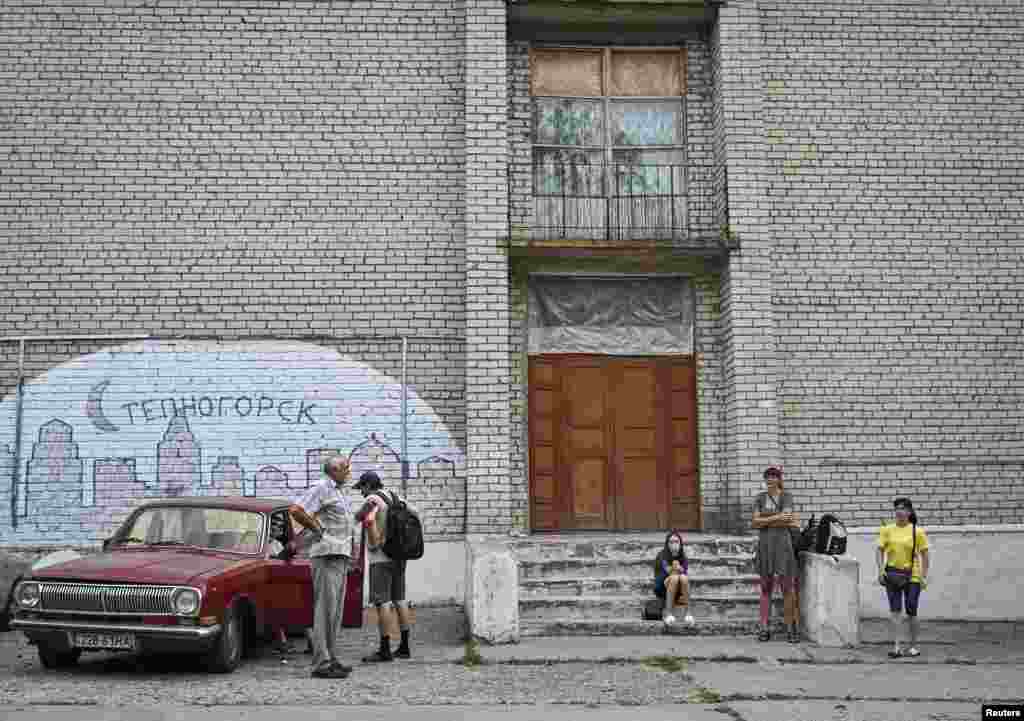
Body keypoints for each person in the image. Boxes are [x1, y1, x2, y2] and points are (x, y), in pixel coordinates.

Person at [288, 455, 355, 678]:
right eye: (345, 468)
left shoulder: (336, 490)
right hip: (326, 554)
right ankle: (321, 663)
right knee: (325, 609)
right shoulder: (321, 487)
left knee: (335, 611)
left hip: (339, 554)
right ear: (334, 470)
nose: (348, 472)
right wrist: (317, 529)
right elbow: (296, 510)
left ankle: (331, 657)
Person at [353, 470, 414, 662]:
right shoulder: (395, 496)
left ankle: (385, 649)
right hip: (399, 556)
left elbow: (359, 517)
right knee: (400, 599)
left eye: (361, 488)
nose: (361, 492)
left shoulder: (372, 499)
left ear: (368, 485)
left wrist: (375, 536)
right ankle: (404, 647)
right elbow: (415, 513)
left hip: (380, 558)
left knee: (383, 603)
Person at [751, 465, 801, 643]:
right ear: (765, 480)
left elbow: (787, 518)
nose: (770, 480)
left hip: (783, 545)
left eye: (774, 476)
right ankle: (764, 628)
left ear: (779, 479)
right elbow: (754, 522)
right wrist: (776, 518)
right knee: (765, 588)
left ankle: (791, 628)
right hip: (765, 546)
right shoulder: (759, 498)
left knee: (788, 588)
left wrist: (765, 520)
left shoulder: (787, 496)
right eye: (768, 477)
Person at [877, 497, 930, 659]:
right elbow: (879, 550)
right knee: (895, 611)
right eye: (897, 508)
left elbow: (925, 555)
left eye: (902, 508)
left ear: (909, 512)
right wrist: (880, 570)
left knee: (911, 609)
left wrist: (923, 576)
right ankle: (896, 647)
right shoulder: (887, 530)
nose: (899, 511)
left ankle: (913, 646)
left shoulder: (917, 531)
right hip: (892, 574)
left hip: (912, 575)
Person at [653, 530, 694, 628]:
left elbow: (684, 572)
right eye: (671, 542)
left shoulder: (683, 556)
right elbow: (667, 571)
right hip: (663, 587)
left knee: (684, 578)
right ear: (667, 544)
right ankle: (668, 613)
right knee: (674, 577)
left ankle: (688, 613)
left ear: (680, 543)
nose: (674, 544)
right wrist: (675, 566)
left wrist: (681, 569)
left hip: (679, 587)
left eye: (676, 541)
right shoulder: (662, 555)